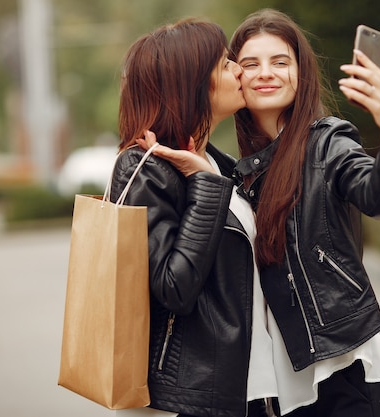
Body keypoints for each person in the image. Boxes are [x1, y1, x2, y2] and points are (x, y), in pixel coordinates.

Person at [228, 9, 380, 417]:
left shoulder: (328, 143)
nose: (266, 73)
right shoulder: (243, 173)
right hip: (289, 394)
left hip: (350, 378)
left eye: (280, 62)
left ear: (300, 74)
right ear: (235, 77)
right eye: (251, 64)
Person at [109, 18, 274, 417]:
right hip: (190, 401)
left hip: (249, 390)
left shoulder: (219, 166)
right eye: (223, 65)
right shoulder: (145, 167)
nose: (238, 70)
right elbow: (173, 287)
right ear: (192, 84)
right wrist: (205, 186)